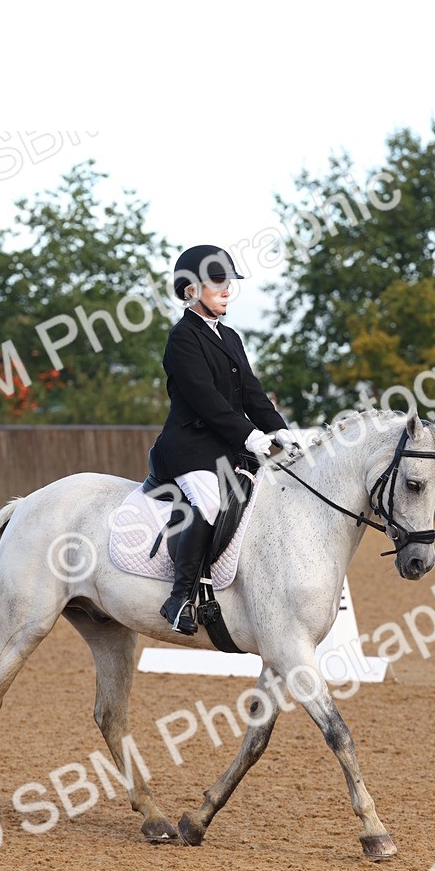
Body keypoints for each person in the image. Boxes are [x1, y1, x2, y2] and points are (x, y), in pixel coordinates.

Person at [150, 244, 298, 634]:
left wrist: (277, 426)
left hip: (225, 446)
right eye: (218, 282)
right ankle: (180, 598)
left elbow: (250, 390)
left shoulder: (229, 336)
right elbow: (206, 401)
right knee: (212, 501)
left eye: (228, 281)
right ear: (190, 290)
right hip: (188, 447)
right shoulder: (182, 339)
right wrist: (249, 435)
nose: (227, 289)